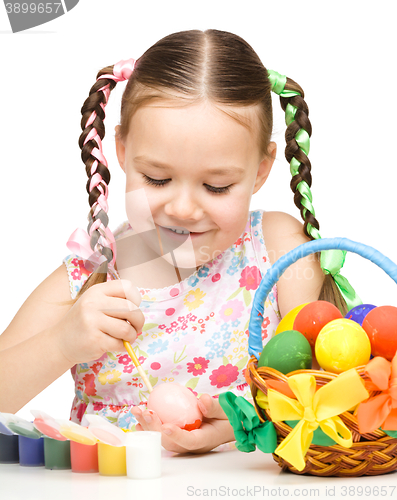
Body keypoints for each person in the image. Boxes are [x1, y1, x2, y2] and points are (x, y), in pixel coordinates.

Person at [0, 29, 360, 454]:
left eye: (217, 185)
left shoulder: (279, 252)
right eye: (158, 178)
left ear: (261, 169)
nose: (185, 208)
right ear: (120, 148)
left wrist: (242, 423)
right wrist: (61, 342)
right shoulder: (87, 278)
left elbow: (344, 392)